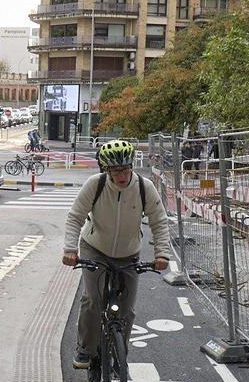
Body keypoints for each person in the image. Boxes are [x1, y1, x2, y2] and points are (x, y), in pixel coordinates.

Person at [63, 139, 173, 369]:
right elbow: (75, 217)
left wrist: (162, 254)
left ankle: (118, 355)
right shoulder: (95, 185)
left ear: (131, 166)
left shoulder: (144, 188)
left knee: (127, 311)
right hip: (95, 248)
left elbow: (159, 221)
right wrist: (70, 250)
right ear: (106, 170)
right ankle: (85, 349)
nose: (121, 175)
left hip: (128, 253)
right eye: (115, 170)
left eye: (125, 169)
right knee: (92, 300)